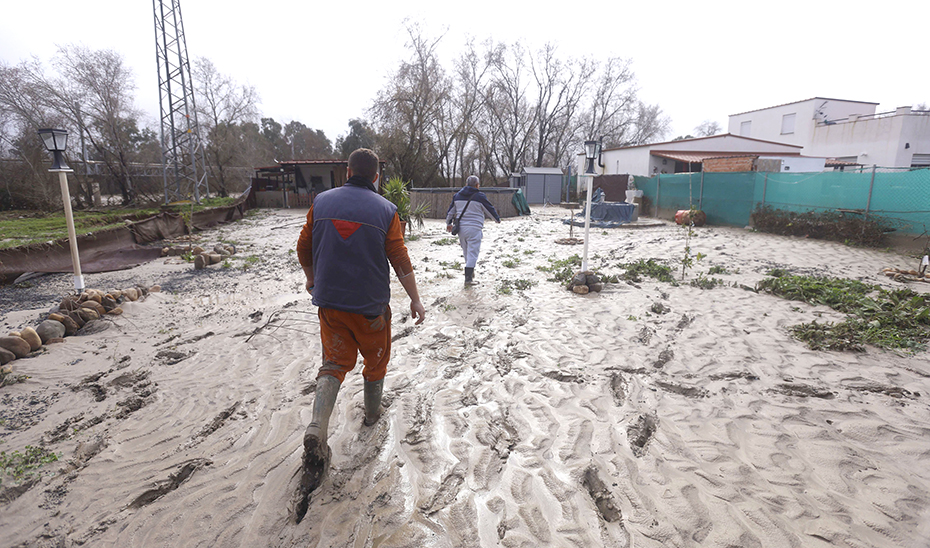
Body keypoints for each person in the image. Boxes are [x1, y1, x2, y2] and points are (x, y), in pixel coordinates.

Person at [294, 148, 426, 504]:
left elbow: (303, 247)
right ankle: (371, 416)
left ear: (347, 171)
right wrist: (415, 299)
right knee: (375, 361)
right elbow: (399, 259)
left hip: (331, 305)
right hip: (370, 309)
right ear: (377, 176)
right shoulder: (386, 210)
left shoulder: (321, 203)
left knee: (334, 364)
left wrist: (312, 280)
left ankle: (317, 427)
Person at [445, 175, 501, 285]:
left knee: (466, 252)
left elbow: (451, 211)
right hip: (474, 229)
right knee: (473, 253)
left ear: (466, 184)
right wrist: (497, 219)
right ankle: (468, 279)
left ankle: (469, 272)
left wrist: (448, 223)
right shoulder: (480, 196)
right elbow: (489, 209)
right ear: (477, 185)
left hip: (461, 229)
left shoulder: (457, 196)